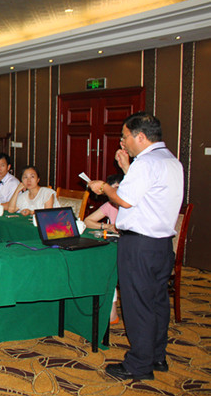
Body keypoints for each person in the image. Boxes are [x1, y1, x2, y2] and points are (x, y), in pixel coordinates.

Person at [89, 112, 183, 381]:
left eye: (125, 136)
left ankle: (139, 364)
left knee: (137, 304)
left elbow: (125, 201)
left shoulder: (146, 163)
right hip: (161, 245)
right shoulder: (171, 161)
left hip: (139, 246)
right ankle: (156, 356)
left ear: (140, 137)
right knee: (157, 302)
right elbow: (148, 194)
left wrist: (104, 187)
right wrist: (127, 168)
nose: (123, 142)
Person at [84, 173, 124, 324]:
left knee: (107, 266)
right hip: (114, 244)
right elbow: (88, 221)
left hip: (130, 248)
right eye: (110, 190)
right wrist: (107, 226)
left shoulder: (132, 206)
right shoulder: (110, 205)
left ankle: (112, 313)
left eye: (117, 189)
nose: (114, 194)